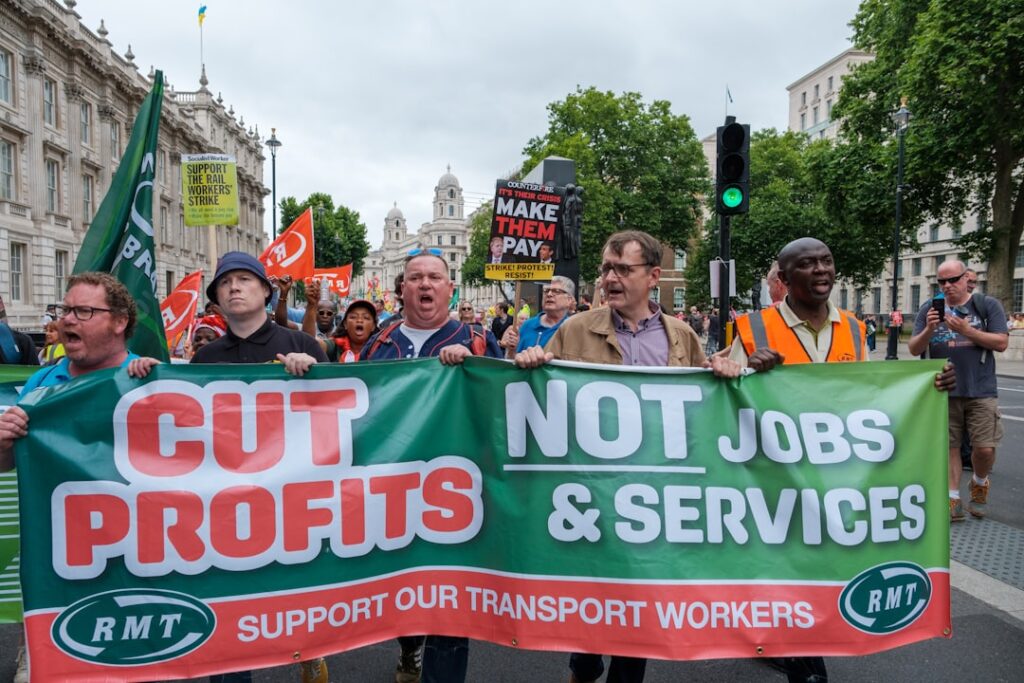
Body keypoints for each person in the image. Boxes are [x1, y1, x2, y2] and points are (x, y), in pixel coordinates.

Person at [516, 231, 741, 683]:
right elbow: (540, 399)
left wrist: (727, 371)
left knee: (635, 622)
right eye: (605, 269)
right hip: (593, 499)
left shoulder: (681, 337)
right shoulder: (576, 328)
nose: (610, 279)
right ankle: (583, 664)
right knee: (594, 619)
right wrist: (533, 362)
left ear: (653, 276)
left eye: (623, 269)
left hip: (652, 502)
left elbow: (705, 409)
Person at [730, 238, 955, 683]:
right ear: (784, 276)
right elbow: (725, 397)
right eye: (807, 264)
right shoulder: (751, 327)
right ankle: (803, 660)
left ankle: (800, 645)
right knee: (787, 569)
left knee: (822, 566)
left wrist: (929, 386)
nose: (820, 270)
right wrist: (746, 369)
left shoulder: (854, 327)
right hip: (777, 478)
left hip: (836, 479)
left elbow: (869, 397)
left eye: (827, 261)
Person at [0, 273, 158, 683]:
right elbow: (7, 464)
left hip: (137, 555)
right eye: (65, 310)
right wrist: (4, 441)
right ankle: (32, 651)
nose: (69, 319)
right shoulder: (41, 383)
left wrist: (161, 389)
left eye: (83, 311)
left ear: (120, 322)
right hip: (62, 555)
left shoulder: (150, 379)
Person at [360, 249, 500, 683]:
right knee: (405, 587)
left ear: (449, 288)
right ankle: (408, 648)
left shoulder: (476, 340)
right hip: (395, 492)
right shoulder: (380, 344)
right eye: (415, 277)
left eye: (434, 277)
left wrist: (476, 368)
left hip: (455, 493)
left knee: (449, 601)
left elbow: (500, 409)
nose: (424, 284)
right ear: (401, 288)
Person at [190, 252, 327, 682]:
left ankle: (311, 650)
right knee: (229, 619)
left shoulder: (301, 345)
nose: (234, 287)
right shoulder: (204, 361)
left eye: (245, 279)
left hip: (294, 501)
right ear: (215, 299)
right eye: (225, 282)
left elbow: (346, 415)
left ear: (266, 291)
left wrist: (316, 376)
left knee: (296, 600)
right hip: (229, 507)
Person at [908, 259, 1008, 522]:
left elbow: (1001, 342)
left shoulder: (986, 306)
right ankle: (952, 499)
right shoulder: (929, 309)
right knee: (950, 446)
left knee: (984, 448)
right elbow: (914, 349)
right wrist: (930, 329)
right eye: (941, 282)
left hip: (981, 389)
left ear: (967, 279)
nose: (947, 286)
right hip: (943, 388)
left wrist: (968, 331)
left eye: (953, 280)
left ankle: (979, 481)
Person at [512, 276, 575, 352]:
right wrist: (511, 349)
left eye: (557, 291)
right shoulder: (527, 325)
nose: (549, 294)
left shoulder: (573, 329)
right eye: (546, 291)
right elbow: (514, 359)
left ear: (569, 300)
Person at [322, 298, 377, 362]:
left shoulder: (381, 350)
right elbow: (313, 345)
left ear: (373, 326)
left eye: (366, 317)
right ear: (345, 324)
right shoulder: (335, 346)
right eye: (353, 317)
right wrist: (312, 307)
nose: (359, 320)